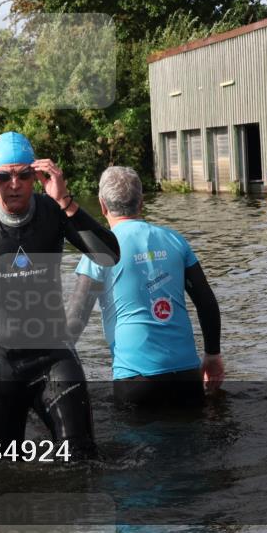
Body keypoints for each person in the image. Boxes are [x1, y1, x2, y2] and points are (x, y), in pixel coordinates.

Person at [0, 132, 120, 457]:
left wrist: (65, 200)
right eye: (3, 176)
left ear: (37, 175)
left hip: (53, 356)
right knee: (1, 469)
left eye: (24, 175)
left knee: (82, 457)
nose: (14, 184)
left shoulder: (53, 210)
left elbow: (110, 256)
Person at [67, 166, 224, 410]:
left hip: (136, 379)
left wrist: (48, 365)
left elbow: (77, 317)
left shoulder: (98, 250)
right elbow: (205, 301)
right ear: (142, 202)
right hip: (186, 374)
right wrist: (212, 355)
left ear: (102, 205)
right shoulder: (175, 239)